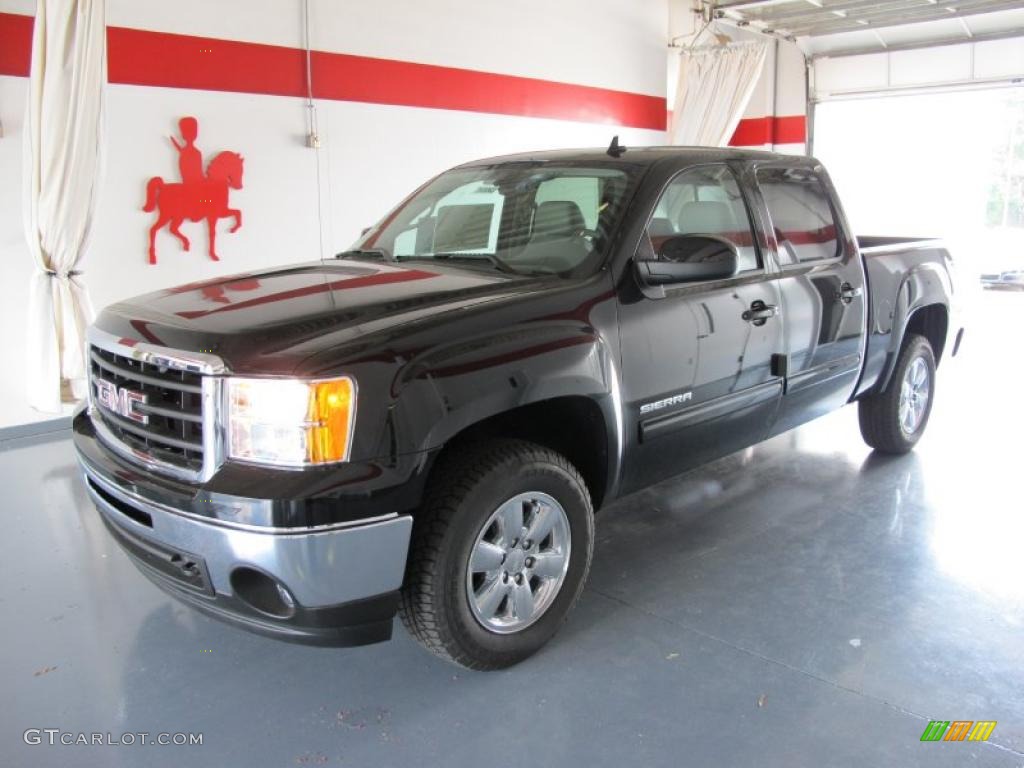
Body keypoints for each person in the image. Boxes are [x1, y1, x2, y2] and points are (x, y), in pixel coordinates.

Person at [169, 116, 204, 184]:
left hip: (194, 179)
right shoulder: (195, 152)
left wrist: (174, 143)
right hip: (190, 180)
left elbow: (198, 171)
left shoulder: (195, 152)